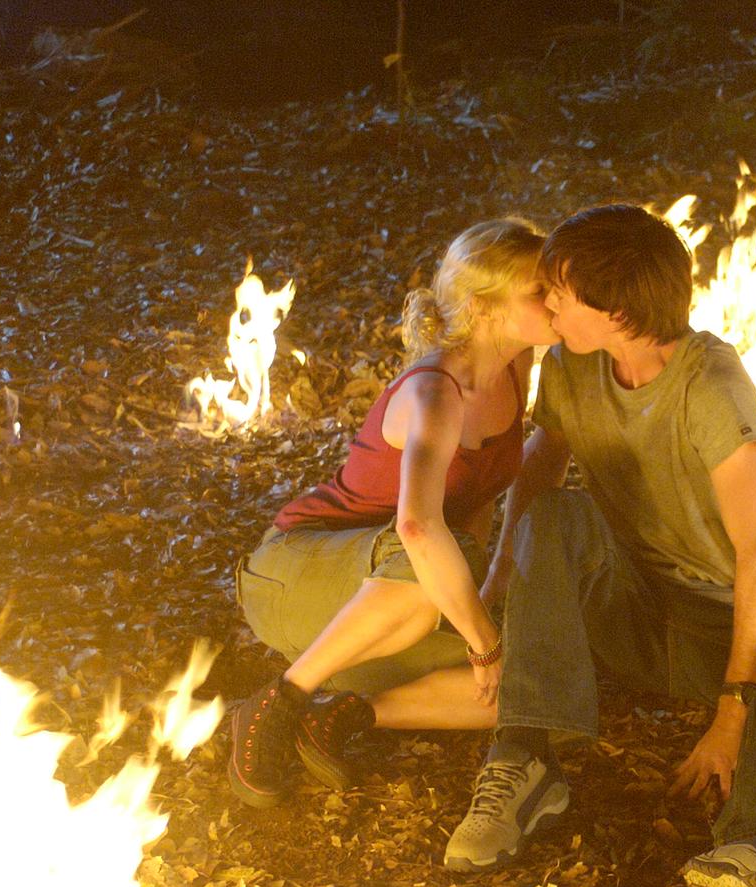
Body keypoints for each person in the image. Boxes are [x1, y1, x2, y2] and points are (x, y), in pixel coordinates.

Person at [442, 204, 756, 887]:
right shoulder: (570, 365)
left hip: (707, 623)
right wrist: (503, 578)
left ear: (618, 310)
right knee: (556, 516)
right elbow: (538, 477)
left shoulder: (710, 388)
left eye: (561, 292)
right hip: (621, 598)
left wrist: (729, 718)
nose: (546, 302)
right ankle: (526, 761)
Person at [227, 217, 559, 809]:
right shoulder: (435, 393)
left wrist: (490, 593)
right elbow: (419, 527)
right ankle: (278, 702)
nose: (557, 297)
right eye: (540, 290)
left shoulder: (516, 366)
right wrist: (479, 638)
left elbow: (474, 504)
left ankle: (344, 715)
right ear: (485, 307)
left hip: (394, 593)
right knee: (430, 575)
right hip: (296, 571)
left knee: (535, 679)